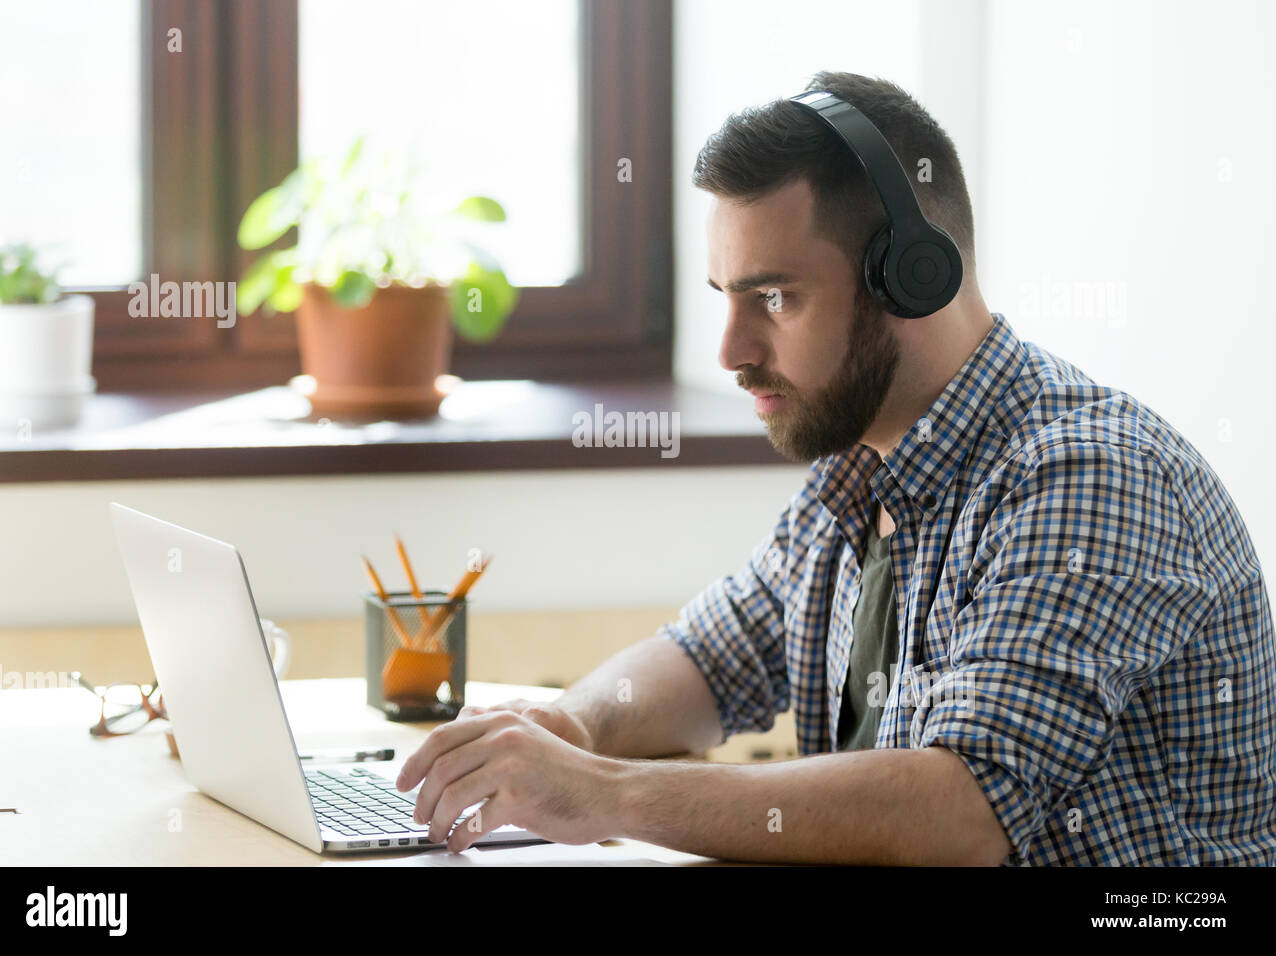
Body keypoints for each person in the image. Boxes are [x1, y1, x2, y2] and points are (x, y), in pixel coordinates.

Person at [395, 71, 1276, 865]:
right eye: (725, 300)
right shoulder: (855, 469)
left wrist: (602, 794)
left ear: (912, 279)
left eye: (772, 298)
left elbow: (962, 812)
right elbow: (711, 657)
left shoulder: (1087, 478)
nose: (733, 352)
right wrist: (571, 723)